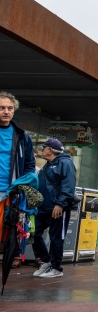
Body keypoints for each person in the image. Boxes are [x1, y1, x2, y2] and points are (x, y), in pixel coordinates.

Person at [0, 92, 35, 268]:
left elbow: (30, 165)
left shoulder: (22, 137)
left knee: (13, 226)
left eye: (10, 108)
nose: (6, 111)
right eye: (2, 108)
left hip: (12, 191)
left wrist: (22, 183)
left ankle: (13, 255)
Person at [33, 138, 76, 278]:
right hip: (42, 208)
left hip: (57, 208)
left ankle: (56, 268)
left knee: (56, 238)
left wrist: (60, 204)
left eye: (44, 147)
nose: (42, 150)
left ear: (50, 150)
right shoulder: (47, 165)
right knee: (34, 235)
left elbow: (68, 186)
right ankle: (46, 261)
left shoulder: (65, 163)